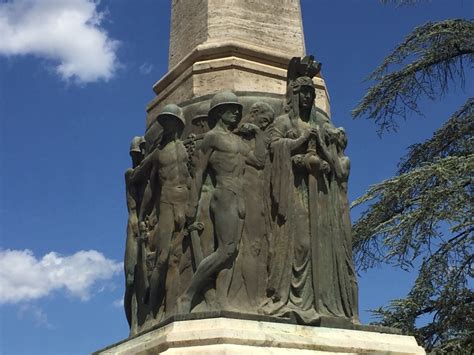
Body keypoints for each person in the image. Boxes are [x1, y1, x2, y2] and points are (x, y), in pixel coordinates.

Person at [177, 91, 266, 313]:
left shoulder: (238, 141)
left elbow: (259, 160)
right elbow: (198, 172)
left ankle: (222, 299)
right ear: (218, 112)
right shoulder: (212, 138)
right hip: (223, 193)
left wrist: (258, 134)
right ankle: (188, 295)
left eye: (237, 109)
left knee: (231, 252)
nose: (236, 112)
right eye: (231, 108)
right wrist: (192, 205)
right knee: (225, 250)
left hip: (240, 197)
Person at [129, 104, 192, 318]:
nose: (168, 126)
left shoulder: (185, 148)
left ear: (178, 124)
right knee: (163, 259)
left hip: (185, 201)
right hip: (166, 203)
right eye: (165, 122)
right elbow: (147, 186)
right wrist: (140, 213)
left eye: (171, 121)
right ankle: (151, 304)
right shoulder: (157, 154)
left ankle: (174, 305)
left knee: (181, 258)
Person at [124, 136, 146, 334]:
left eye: (139, 153)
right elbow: (132, 210)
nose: (137, 157)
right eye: (136, 154)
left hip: (148, 224)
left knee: (144, 275)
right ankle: (133, 325)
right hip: (134, 226)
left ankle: (140, 323)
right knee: (131, 277)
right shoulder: (131, 173)